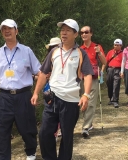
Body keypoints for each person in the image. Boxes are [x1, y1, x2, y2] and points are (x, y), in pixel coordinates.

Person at [0, 19, 41, 160]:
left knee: (27, 129)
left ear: (16, 31)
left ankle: (31, 152)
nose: (6, 31)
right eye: (3, 29)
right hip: (4, 98)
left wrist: (36, 91)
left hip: (23, 96)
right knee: (1, 131)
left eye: (10, 28)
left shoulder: (26, 51)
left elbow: (39, 72)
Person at [31, 19, 93, 160]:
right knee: (45, 133)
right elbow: (43, 73)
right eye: (62, 30)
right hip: (52, 98)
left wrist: (86, 95)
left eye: (67, 30)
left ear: (75, 34)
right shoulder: (53, 52)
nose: (63, 33)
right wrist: (35, 92)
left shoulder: (81, 53)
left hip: (71, 101)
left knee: (67, 135)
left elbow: (88, 74)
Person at [80, 25, 106, 137]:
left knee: (90, 103)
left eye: (86, 32)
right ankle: (87, 123)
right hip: (81, 78)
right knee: (80, 103)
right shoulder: (79, 49)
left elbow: (105, 62)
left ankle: (86, 126)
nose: (84, 34)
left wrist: (99, 52)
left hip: (94, 78)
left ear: (91, 33)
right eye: (82, 33)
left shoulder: (96, 47)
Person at [105, 39, 123, 108]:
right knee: (109, 83)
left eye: (118, 45)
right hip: (110, 69)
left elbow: (124, 63)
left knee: (116, 84)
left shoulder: (122, 53)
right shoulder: (110, 52)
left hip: (118, 69)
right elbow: (106, 60)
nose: (116, 46)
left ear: (121, 46)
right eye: (115, 45)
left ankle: (115, 100)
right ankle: (111, 98)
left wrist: (122, 72)